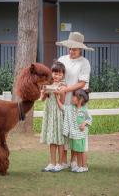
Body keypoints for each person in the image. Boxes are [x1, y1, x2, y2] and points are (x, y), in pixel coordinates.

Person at [55, 31, 94, 169]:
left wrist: (67, 89)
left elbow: (82, 83)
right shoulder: (62, 59)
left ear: (81, 49)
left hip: (77, 102)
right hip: (62, 100)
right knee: (64, 131)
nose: (72, 51)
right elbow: (56, 76)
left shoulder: (84, 63)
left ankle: (74, 161)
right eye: (70, 48)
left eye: (75, 49)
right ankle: (63, 161)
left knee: (76, 130)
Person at [56, 89, 92, 172]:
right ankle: (80, 166)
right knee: (77, 150)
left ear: (81, 99)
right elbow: (62, 107)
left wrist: (84, 123)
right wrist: (57, 98)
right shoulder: (70, 108)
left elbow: (89, 119)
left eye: (74, 96)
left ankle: (84, 166)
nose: (72, 98)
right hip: (74, 134)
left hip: (81, 135)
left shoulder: (84, 110)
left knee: (82, 150)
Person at [40, 62, 67, 172]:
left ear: (63, 75)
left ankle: (60, 163)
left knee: (59, 140)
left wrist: (58, 94)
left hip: (58, 114)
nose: (57, 76)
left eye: (60, 74)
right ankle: (52, 163)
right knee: (52, 140)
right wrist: (43, 92)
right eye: (55, 73)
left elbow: (63, 103)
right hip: (49, 114)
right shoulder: (47, 84)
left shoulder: (63, 86)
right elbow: (42, 99)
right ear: (51, 73)